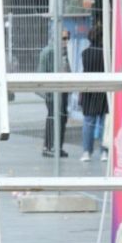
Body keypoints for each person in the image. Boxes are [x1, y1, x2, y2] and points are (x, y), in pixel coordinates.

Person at [39, 29, 71, 158]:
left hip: (62, 89)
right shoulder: (49, 52)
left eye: (67, 38)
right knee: (53, 117)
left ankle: (57, 146)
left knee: (62, 117)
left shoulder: (64, 52)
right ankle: (49, 146)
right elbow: (43, 72)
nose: (66, 41)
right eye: (63, 38)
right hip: (53, 91)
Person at [80, 24, 108, 162]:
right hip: (104, 90)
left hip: (88, 90)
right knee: (103, 122)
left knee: (88, 122)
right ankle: (104, 151)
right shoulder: (107, 52)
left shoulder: (85, 53)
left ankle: (86, 152)